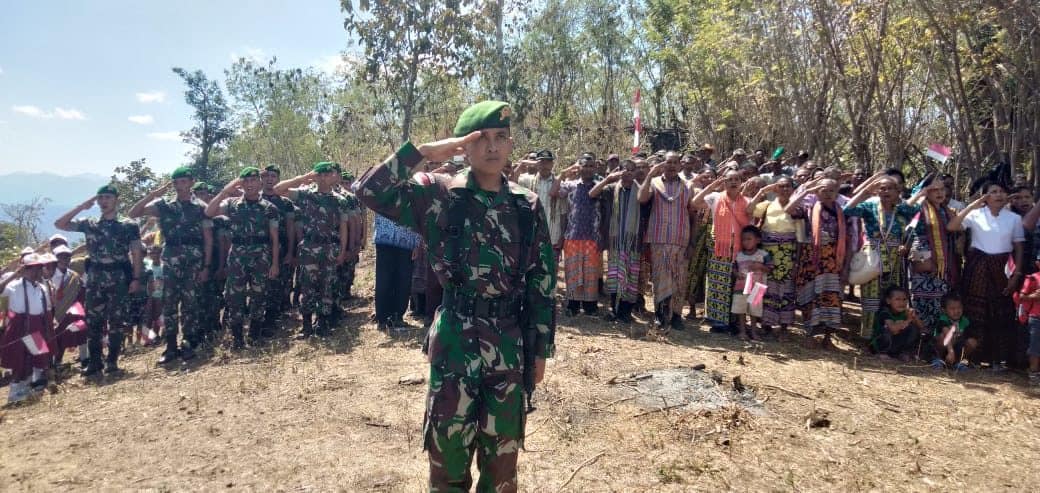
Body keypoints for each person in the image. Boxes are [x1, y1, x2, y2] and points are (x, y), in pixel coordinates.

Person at [355, 100, 555, 492]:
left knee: (502, 464)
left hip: (509, 344)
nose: (492, 147)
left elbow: (541, 280)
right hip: (454, 343)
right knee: (447, 460)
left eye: (501, 138)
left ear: (511, 144)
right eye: (481, 139)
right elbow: (368, 191)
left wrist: (541, 349)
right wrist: (425, 153)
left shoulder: (525, 204)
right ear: (464, 145)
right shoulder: (438, 194)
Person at [54, 184, 143, 376]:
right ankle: (95, 362)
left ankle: (112, 360)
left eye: (108, 198)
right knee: (93, 321)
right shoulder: (90, 223)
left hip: (118, 276)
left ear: (116, 200)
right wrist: (81, 206)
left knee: (117, 321)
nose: (104, 201)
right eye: (100, 198)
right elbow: (59, 224)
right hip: (95, 277)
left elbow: (136, 253)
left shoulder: (128, 225)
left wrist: (136, 278)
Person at [128, 166, 212, 364]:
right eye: (176, 182)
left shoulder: (201, 208)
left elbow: (208, 239)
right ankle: (171, 346)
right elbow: (133, 213)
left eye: (184, 181)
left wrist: (207, 266)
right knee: (169, 303)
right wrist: (152, 195)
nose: (180, 186)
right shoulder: (164, 206)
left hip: (193, 260)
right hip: (170, 258)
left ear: (191, 182)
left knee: (191, 303)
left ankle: (189, 343)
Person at [948, 181, 1025, 371]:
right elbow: (952, 226)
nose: (998, 195)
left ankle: (997, 359)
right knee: (975, 312)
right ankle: (973, 357)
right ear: (985, 197)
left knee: (1000, 311)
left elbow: (1019, 248)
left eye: (1001, 191)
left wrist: (1017, 275)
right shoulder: (975, 214)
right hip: (978, 267)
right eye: (993, 192)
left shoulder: (1013, 219)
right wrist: (974, 204)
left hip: (1002, 268)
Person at [274, 162, 352, 338]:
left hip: (330, 247)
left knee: (327, 286)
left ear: (332, 176)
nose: (323, 178)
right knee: (307, 286)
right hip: (309, 247)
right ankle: (307, 325)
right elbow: (278, 190)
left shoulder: (340, 200)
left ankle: (323, 323)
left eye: (327, 174)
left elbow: (344, 227)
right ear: (315, 176)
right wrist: (302, 178)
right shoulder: (305, 195)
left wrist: (341, 252)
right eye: (320, 174)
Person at [206, 168, 281, 348]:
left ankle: (255, 335)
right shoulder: (231, 204)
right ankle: (237, 338)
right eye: (246, 181)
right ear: (241, 184)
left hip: (261, 257)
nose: (250, 184)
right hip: (237, 257)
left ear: (259, 183)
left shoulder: (270, 208)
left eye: (253, 180)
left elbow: (274, 238)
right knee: (235, 297)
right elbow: (209, 212)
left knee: (259, 295)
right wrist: (226, 190)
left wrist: (275, 264)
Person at [843, 174, 921, 339]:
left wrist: (906, 246)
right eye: (882, 188)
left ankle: (889, 338)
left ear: (897, 191)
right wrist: (865, 191)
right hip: (874, 257)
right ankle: (870, 338)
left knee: (892, 299)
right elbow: (847, 209)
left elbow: (915, 223)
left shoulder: (902, 210)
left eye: (890, 188)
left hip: (894, 260)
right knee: (871, 300)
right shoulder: (870, 207)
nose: (885, 191)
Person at [786, 178, 847, 346]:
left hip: (832, 263)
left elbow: (848, 239)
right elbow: (788, 209)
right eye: (823, 190)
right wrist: (806, 191)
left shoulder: (842, 212)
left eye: (831, 190)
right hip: (811, 261)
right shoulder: (808, 209)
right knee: (810, 298)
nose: (827, 194)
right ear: (817, 193)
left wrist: (845, 265)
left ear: (836, 193)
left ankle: (828, 337)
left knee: (832, 298)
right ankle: (810, 335)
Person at [640, 151, 697, 330]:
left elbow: (693, 215)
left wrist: (692, 243)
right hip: (659, 239)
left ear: (680, 165)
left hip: (681, 240)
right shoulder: (655, 183)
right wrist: (650, 174)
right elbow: (641, 198)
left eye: (675, 162)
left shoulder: (688, 187)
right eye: (668, 162)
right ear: (662, 164)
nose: (671, 165)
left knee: (679, 279)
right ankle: (660, 314)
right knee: (660, 278)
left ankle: (677, 315)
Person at [691, 169, 752, 333]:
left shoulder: (747, 201)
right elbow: (696, 202)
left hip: (740, 250)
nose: (733, 182)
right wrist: (712, 186)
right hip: (720, 248)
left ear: (741, 183)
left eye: (736, 179)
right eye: (729, 179)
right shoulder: (715, 197)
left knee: (736, 286)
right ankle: (719, 323)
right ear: (724, 183)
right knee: (717, 284)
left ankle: (735, 322)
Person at [590, 159, 643, 322]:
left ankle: (626, 312)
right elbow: (592, 194)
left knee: (631, 279)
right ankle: (614, 309)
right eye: (624, 169)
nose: (627, 172)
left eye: (631, 169)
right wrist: (608, 179)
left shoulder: (641, 191)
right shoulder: (612, 189)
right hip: (615, 241)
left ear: (635, 173)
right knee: (614, 276)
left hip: (633, 242)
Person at [552, 153, 604, 316]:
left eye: (590, 166)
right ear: (578, 167)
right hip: (572, 234)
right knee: (573, 271)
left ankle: (590, 306)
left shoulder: (600, 185)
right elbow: (553, 192)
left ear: (595, 168)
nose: (587, 169)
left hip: (593, 236)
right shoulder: (571, 185)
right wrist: (562, 174)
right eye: (584, 165)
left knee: (590, 272)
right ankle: (573, 304)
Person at [907, 178, 961, 332]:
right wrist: (925, 260)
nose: (939, 193)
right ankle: (918, 338)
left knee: (940, 302)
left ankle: (935, 341)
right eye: (934, 189)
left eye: (942, 189)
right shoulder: (920, 208)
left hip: (944, 263)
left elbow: (959, 227)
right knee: (920, 299)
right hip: (922, 255)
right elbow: (905, 208)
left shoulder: (946, 210)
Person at [747, 178, 798, 337]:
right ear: (775, 189)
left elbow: (802, 235)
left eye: (787, 186)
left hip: (788, 254)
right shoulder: (768, 204)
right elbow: (749, 210)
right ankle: (765, 325)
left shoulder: (798, 206)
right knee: (764, 287)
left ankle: (783, 326)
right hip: (767, 254)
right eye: (780, 186)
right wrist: (762, 192)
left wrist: (797, 258)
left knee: (786, 288)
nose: (784, 189)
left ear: (792, 188)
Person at [0, 255, 52, 403]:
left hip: (36, 326)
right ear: (24, 270)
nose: (36, 272)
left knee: (36, 359)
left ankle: (27, 389)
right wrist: (14, 275)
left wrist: (47, 328)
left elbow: (46, 309)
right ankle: (14, 394)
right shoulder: (14, 285)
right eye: (32, 268)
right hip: (20, 326)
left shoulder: (42, 288)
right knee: (19, 360)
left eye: (38, 268)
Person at [261, 165, 297, 333]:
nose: (269, 179)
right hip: (258, 249)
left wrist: (290, 252)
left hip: (280, 247)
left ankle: (272, 317)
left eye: (273, 176)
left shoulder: (286, 203)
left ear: (278, 179)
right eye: (266, 176)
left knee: (276, 283)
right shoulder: (253, 199)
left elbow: (290, 230)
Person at [372, 213, 421, 330]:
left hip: (407, 239)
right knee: (383, 279)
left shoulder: (412, 193)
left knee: (403, 280)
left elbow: (417, 211)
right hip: (385, 237)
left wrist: (417, 243)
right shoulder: (381, 193)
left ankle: (397, 316)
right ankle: (382, 318)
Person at [517, 150, 564, 261]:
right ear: (536, 164)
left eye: (548, 162)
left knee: (552, 273)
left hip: (553, 237)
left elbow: (563, 213)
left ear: (552, 164)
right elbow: (511, 179)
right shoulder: (527, 181)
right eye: (541, 162)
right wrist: (523, 163)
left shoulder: (559, 184)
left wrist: (562, 236)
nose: (545, 165)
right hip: (532, 237)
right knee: (531, 273)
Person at [49, 245, 87, 367]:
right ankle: (55, 363)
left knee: (81, 332)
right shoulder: (49, 276)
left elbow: (81, 292)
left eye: (67, 257)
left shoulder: (74, 276)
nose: (65, 259)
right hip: (56, 312)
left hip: (73, 311)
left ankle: (85, 358)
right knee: (57, 338)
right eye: (61, 257)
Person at [732, 226, 772, 340]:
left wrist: (760, 266)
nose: (746, 242)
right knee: (741, 309)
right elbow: (734, 268)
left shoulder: (763, 254)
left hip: (758, 287)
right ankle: (743, 332)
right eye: (743, 239)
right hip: (741, 286)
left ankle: (754, 332)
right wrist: (736, 274)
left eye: (749, 239)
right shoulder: (739, 255)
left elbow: (770, 268)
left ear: (758, 240)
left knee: (754, 310)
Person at [871, 286, 923, 362]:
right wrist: (908, 320)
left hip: (895, 343)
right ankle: (882, 353)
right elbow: (892, 329)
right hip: (880, 343)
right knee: (886, 329)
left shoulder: (905, 312)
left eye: (904, 299)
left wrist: (914, 317)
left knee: (913, 329)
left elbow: (922, 327)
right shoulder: (884, 313)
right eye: (897, 299)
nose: (902, 303)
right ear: (888, 301)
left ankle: (902, 352)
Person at [930, 294, 976, 370]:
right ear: (944, 310)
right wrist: (950, 351)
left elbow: (970, 336)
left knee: (972, 342)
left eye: (959, 308)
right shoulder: (943, 319)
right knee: (945, 336)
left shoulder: (965, 321)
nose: (956, 311)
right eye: (952, 308)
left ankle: (958, 362)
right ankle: (938, 359)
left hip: (957, 348)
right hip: (944, 347)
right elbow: (946, 332)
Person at [1017, 265, 1040, 386]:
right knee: (1035, 348)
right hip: (1036, 317)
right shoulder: (1032, 278)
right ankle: (1034, 375)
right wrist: (1034, 296)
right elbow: (1021, 296)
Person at [143, 245, 164, 344]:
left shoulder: (163, 267)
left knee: (157, 317)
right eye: (151, 253)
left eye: (156, 253)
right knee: (147, 318)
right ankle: (147, 338)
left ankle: (155, 336)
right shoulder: (147, 264)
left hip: (160, 295)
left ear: (160, 254)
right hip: (148, 295)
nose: (153, 255)